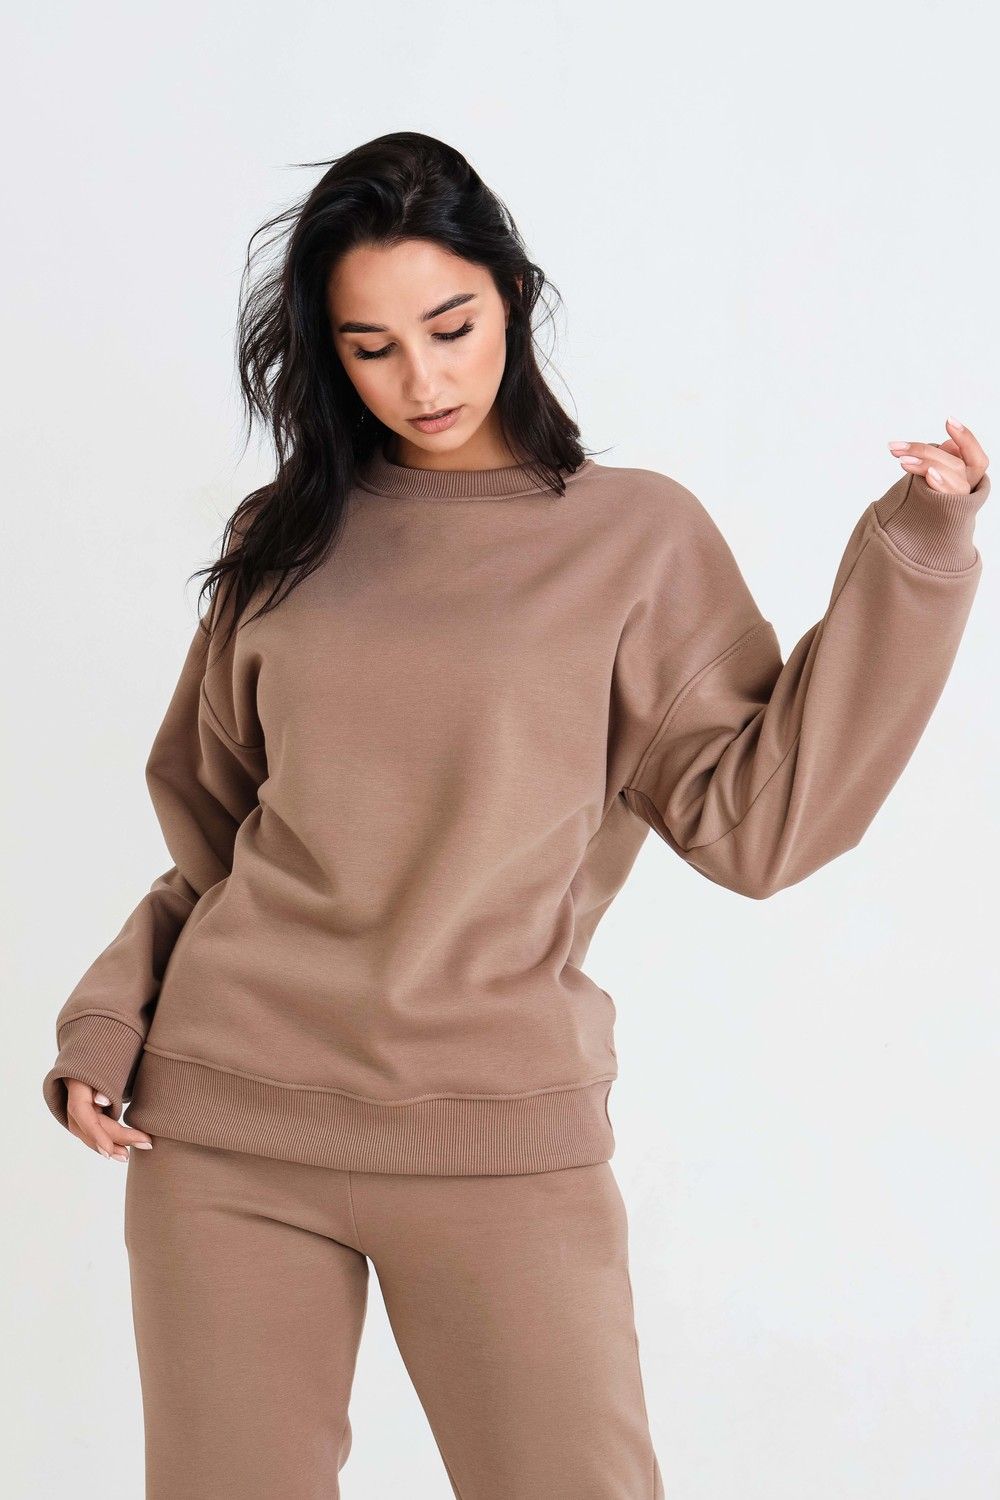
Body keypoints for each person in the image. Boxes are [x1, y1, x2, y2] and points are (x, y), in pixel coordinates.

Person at [42, 131, 989, 1500]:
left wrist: (921, 548)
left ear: (513, 299)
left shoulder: (633, 538)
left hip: (497, 1133)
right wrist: (107, 1018)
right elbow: (220, 843)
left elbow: (761, 822)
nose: (422, 381)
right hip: (225, 1129)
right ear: (326, 354)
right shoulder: (281, 541)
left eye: (451, 326)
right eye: (371, 347)